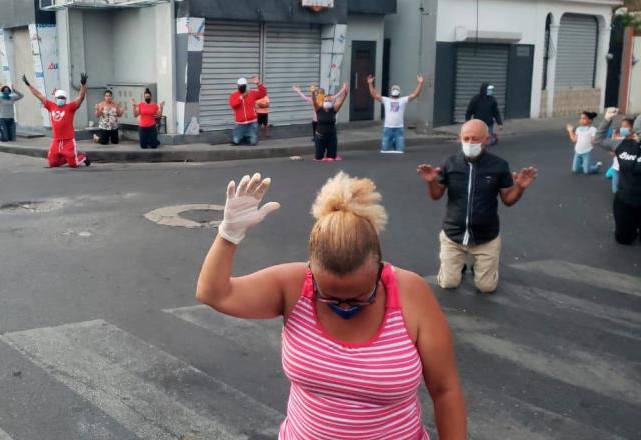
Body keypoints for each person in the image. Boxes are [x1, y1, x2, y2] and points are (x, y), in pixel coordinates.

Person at [196, 171, 466, 439]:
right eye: (329, 297)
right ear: (311, 270)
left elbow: (445, 390)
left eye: (361, 296)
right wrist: (228, 236)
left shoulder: (411, 293)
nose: (345, 306)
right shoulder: (292, 285)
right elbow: (214, 294)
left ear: (380, 268)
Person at [417, 119, 537, 293]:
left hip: (486, 237)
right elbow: (436, 195)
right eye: (466, 138)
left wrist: (519, 187)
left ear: (486, 140)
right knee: (448, 283)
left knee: (486, 287)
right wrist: (431, 182)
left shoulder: (499, 166)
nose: (470, 143)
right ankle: (457, 266)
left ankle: (479, 268)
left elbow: (508, 200)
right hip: (454, 234)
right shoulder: (450, 163)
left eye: (475, 139)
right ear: (460, 138)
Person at [23, 73, 91, 168]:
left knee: (73, 164)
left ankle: (83, 156)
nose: (60, 99)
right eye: (59, 98)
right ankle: (69, 157)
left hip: (68, 141)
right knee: (52, 163)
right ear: (56, 98)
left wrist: (83, 85)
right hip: (56, 141)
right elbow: (38, 95)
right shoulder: (51, 106)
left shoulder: (70, 107)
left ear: (65, 99)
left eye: (62, 98)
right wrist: (28, 84)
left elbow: (81, 98)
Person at [595, 108, 641, 244]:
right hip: (625, 201)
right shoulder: (622, 144)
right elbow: (598, 140)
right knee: (623, 239)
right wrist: (607, 120)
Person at [368, 74, 425, 153]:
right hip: (388, 128)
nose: (395, 91)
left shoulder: (403, 100)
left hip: (399, 129)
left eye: (396, 89)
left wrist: (420, 83)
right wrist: (370, 84)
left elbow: (415, 94)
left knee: (400, 150)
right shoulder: (386, 100)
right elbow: (374, 95)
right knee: (385, 150)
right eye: (394, 89)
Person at [312, 83, 348, 161]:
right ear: (323, 101)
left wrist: (345, 92)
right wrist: (312, 93)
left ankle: (331, 152)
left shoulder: (333, 110)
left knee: (332, 157)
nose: (327, 101)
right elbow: (314, 102)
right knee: (318, 158)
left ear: (331, 102)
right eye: (326, 100)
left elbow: (341, 101)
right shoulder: (319, 109)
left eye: (329, 100)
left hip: (331, 137)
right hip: (320, 137)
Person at [229, 76, 267, 146]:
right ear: (238, 86)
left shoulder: (251, 93)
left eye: (243, 85)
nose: (242, 87)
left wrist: (258, 84)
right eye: (240, 86)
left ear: (246, 85)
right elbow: (233, 105)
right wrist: (241, 97)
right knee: (236, 141)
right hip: (240, 123)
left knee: (253, 142)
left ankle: (247, 137)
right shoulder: (234, 95)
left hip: (252, 122)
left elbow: (263, 93)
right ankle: (243, 136)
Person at [566, 111, 602, 175]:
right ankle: (584, 164)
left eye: (584, 118)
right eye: (581, 118)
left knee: (587, 171)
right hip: (577, 152)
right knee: (575, 170)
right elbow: (574, 140)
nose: (581, 120)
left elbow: (593, 140)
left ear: (590, 120)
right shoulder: (578, 129)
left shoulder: (593, 129)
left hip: (587, 152)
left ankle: (596, 167)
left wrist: (596, 138)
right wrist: (570, 131)